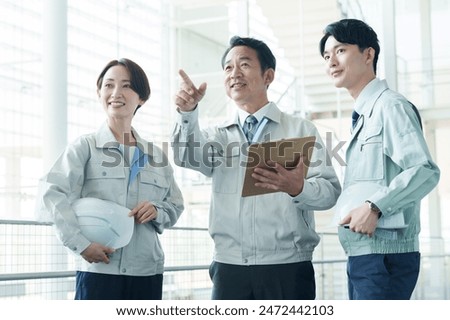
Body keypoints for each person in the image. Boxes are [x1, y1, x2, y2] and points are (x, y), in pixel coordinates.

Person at [172, 36, 341, 300]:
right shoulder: (217, 135)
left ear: (268, 76)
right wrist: (187, 114)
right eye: (228, 68)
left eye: (244, 64)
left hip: (287, 267)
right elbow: (187, 157)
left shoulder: (300, 130)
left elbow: (330, 192)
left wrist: (299, 188)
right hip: (230, 268)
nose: (234, 73)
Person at [36, 58, 184, 300]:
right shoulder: (85, 147)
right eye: (108, 85)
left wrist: (158, 210)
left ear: (142, 98)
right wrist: (80, 244)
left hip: (146, 272)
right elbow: (51, 193)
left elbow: (176, 205)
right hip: (100, 271)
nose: (116, 93)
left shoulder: (156, 156)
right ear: (99, 93)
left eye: (126, 86)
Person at [319, 19, 440, 299]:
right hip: (365, 254)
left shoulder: (390, 106)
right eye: (327, 56)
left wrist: (375, 206)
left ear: (368, 54)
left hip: (384, 258)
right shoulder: (365, 114)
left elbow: (424, 170)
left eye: (340, 51)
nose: (331, 63)